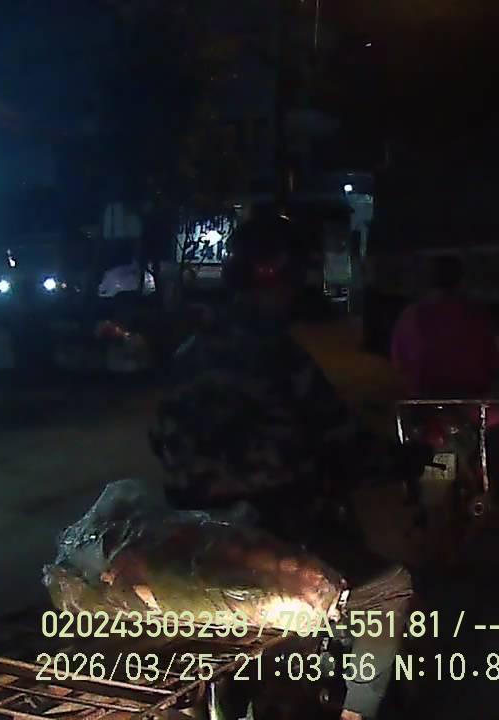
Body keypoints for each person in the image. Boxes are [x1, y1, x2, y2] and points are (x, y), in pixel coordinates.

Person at [149, 211, 430, 720]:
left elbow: (160, 439)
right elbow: (345, 442)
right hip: (273, 533)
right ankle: (357, 713)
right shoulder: (276, 354)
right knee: (389, 587)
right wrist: (402, 459)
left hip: (193, 539)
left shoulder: (189, 354)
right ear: (280, 277)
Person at [390, 254, 499, 552]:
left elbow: (399, 364)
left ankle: (413, 506)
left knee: (410, 453)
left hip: (424, 410)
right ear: (460, 281)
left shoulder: (409, 317)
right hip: (474, 407)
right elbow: (495, 362)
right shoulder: (475, 314)